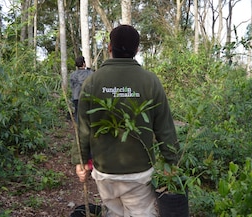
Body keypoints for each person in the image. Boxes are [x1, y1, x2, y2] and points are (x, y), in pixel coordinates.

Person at [74, 25, 179, 217]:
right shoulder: (150, 81)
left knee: (114, 212)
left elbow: (83, 129)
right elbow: (165, 129)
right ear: (137, 50)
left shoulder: (92, 82)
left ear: (109, 48)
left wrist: (81, 162)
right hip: (139, 172)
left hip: (105, 171)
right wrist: (172, 162)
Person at [69, 56, 93, 122]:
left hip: (76, 97)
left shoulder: (72, 75)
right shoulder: (90, 73)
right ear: (84, 63)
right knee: (88, 114)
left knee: (77, 114)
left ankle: (78, 129)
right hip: (87, 97)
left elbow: (72, 86)